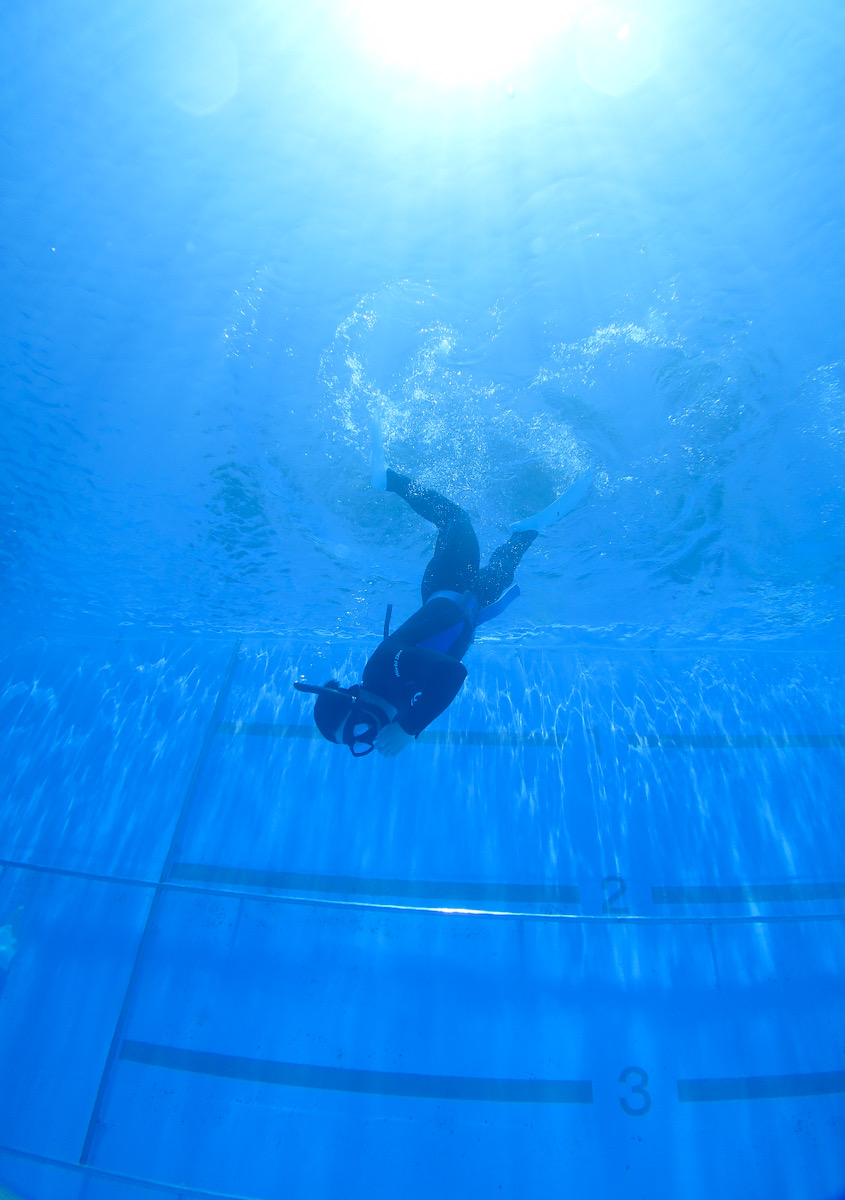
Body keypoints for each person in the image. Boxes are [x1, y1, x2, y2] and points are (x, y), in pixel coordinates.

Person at [295, 429, 593, 757]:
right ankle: (527, 530)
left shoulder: (380, 670)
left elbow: (452, 673)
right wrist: (407, 724)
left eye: (357, 729)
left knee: (455, 519)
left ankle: (388, 480)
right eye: (358, 744)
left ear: (355, 699)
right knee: (503, 568)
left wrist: (409, 730)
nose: (368, 736)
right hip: (472, 603)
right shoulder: (400, 709)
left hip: (447, 583)